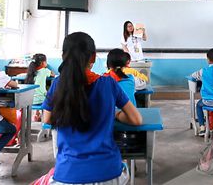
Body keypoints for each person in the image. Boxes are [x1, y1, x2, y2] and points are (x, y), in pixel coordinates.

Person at [42, 32, 142, 184]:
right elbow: (136, 119)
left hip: (68, 174)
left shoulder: (58, 84)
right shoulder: (108, 83)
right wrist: (116, 115)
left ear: (63, 56)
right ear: (93, 57)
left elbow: (47, 118)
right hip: (108, 172)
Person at [24, 53, 54, 122]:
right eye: (46, 61)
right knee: (47, 95)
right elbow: (53, 74)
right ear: (42, 63)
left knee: (37, 92)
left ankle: (37, 114)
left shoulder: (30, 72)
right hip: (41, 100)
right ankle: (45, 118)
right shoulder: (45, 70)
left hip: (30, 100)